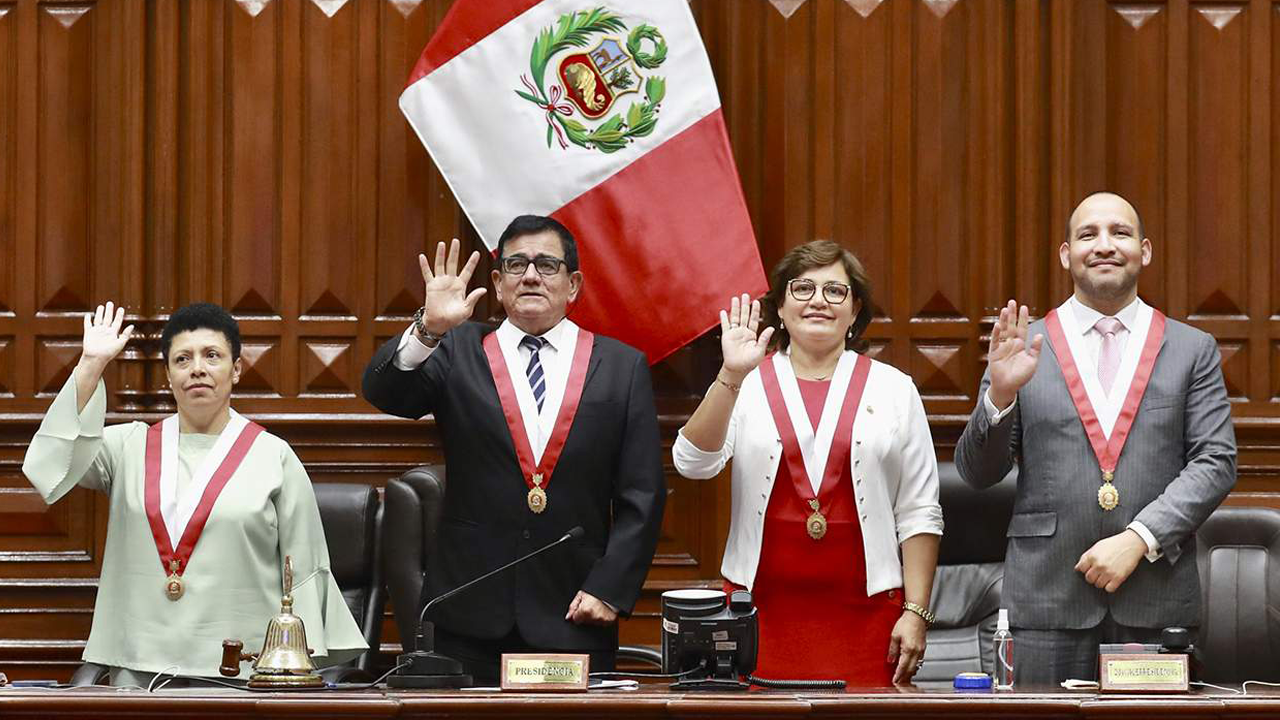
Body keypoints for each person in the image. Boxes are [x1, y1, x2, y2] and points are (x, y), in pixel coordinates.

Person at [362, 215, 665, 684]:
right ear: (499, 284)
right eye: (517, 264)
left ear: (573, 285)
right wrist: (428, 329)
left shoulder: (621, 367)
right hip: (469, 613)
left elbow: (642, 495)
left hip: (575, 610)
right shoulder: (456, 348)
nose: (531, 275)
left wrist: (610, 588)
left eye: (547, 265)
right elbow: (386, 394)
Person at [955, 192, 1236, 684]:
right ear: (1067, 255)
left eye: (1119, 233)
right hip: (1046, 603)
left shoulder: (1192, 349)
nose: (1104, 245)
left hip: (1155, 599)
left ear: (1144, 251)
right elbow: (978, 474)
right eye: (1088, 235)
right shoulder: (1024, 346)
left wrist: (1139, 538)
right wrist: (1000, 395)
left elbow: (1215, 462)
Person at [22, 302, 365, 687]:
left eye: (212, 355)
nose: (197, 368)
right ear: (169, 375)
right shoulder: (128, 447)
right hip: (139, 669)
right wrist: (91, 364)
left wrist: (293, 666)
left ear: (236, 369)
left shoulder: (274, 456)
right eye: (182, 359)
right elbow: (51, 466)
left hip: (241, 671)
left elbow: (302, 566)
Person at [672, 240, 943, 687]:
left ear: (855, 310)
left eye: (835, 291)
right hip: (759, 612)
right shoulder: (747, 382)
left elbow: (919, 510)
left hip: (868, 613)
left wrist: (916, 612)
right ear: (780, 306)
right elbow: (691, 463)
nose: (818, 300)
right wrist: (730, 375)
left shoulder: (895, 389)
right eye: (803, 288)